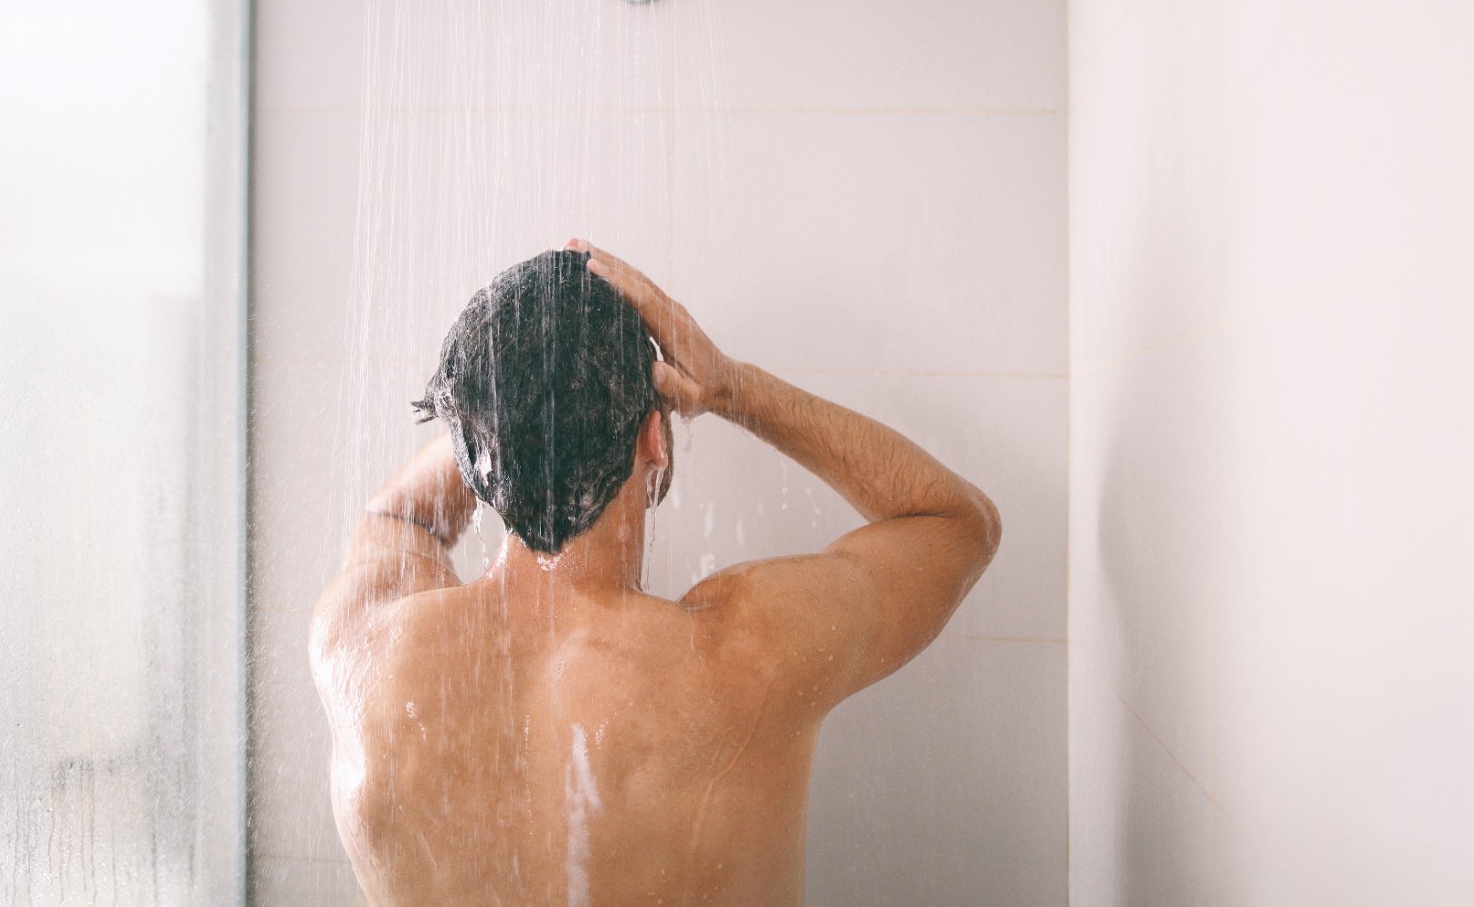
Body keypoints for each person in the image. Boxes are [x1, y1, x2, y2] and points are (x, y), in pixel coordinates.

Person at [310, 241, 1002, 907]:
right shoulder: (747, 654)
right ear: (653, 436)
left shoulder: (363, 651)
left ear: (471, 450)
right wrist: (728, 387)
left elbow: (399, 519)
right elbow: (954, 522)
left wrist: (509, 414)